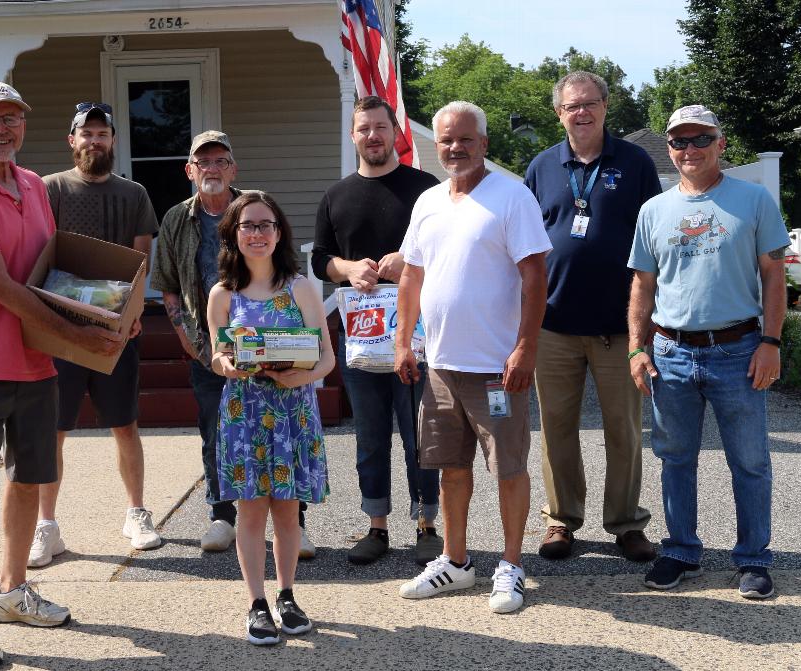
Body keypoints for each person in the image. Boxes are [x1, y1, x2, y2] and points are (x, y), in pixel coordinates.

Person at [0, 82, 123, 668]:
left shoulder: (35, 186)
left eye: (13, 118)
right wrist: (81, 335)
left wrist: (113, 311)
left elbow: (53, 269)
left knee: (28, 479)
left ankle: (9, 590)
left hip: (37, 360)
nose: (3, 128)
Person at [394, 101, 551, 614]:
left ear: (484, 143)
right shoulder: (428, 202)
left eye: (465, 139)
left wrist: (526, 346)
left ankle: (511, 566)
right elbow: (413, 275)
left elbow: (534, 276)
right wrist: (403, 340)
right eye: (446, 140)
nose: (455, 148)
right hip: (440, 365)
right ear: (434, 146)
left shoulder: (512, 197)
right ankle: (456, 563)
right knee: (450, 468)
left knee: (508, 467)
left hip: (497, 369)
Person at [627, 104, 788, 599]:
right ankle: (680, 552)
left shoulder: (754, 200)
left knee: (750, 460)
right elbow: (642, 284)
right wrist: (637, 347)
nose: (689, 150)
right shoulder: (654, 210)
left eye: (700, 140)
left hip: (738, 349)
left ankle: (753, 559)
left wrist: (771, 342)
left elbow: (773, 275)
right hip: (672, 352)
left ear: (720, 143)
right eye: (679, 141)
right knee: (675, 458)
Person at [150, 131, 314, 557]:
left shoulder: (254, 211)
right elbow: (167, 284)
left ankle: (292, 526)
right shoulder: (174, 220)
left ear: (233, 168)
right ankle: (223, 516)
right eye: (203, 162)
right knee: (218, 433)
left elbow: (285, 268)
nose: (212, 169)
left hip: (271, 347)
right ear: (190, 171)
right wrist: (187, 336)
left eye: (220, 161)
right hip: (209, 347)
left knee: (283, 435)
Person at [524, 71, 662, 562]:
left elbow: (655, 240)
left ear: (606, 106)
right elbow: (524, 245)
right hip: (554, 323)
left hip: (618, 327)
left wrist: (647, 327)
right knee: (556, 428)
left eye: (590, 104)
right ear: (558, 113)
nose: (581, 112)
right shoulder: (540, 167)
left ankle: (626, 523)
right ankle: (561, 520)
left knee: (624, 429)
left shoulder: (635, 162)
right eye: (571, 106)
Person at [27, 102, 161, 568]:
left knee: (124, 424)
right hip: (59, 329)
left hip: (113, 332)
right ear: (72, 140)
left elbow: (141, 261)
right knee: (55, 430)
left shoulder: (134, 194)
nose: (95, 141)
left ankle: (137, 513)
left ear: (112, 141)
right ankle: (46, 526)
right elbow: (37, 255)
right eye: (87, 134)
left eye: (102, 134)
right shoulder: (50, 189)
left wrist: (133, 312)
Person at [311, 96, 442, 566]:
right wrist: (348, 268)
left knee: (419, 432)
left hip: (416, 334)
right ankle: (376, 525)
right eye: (364, 129)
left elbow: (443, 242)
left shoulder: (425, 189)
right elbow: (319, 258)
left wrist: (407, 259)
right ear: (354, 136)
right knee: (370, 434)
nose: (373, 136)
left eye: (380, 128)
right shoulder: (337, 195)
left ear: (394, 133)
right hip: (362, 335)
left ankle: (427, 523)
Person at [207, 191, 334, 644]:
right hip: (245, 413)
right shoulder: (223, 294)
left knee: (287, 510)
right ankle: (256, 603)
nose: (257, 234)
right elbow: (218, 356)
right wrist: (231, 365)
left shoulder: (299, 287)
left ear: (279, 233)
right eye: (248, 226)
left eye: (266, 225)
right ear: (234, 234)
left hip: (291, 410)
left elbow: (325, 359)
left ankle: (287, 595)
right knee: (251, 511)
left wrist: (298, 379)